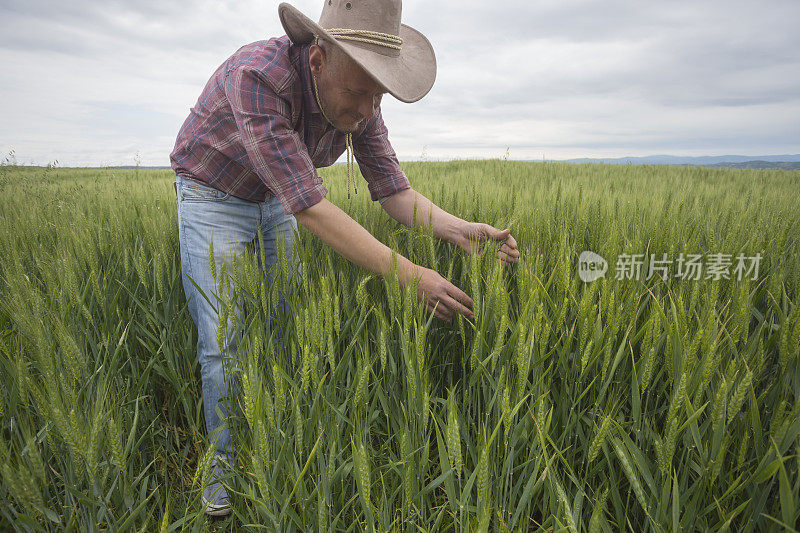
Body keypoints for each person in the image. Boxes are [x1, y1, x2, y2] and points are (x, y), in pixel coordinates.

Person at [170, 0, 520, 517]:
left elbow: (392, 189)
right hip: (212, 194)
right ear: (318, 60)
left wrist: (459, 231)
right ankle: (224, 465)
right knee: (225, 337)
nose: (369, 109)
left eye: (379, 95)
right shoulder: (257, 77)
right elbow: (310, 207)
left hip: (276, 199)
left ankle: (279, 432)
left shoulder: (364, 103)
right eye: (359, 92)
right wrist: (409, 274)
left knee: (284, 317)